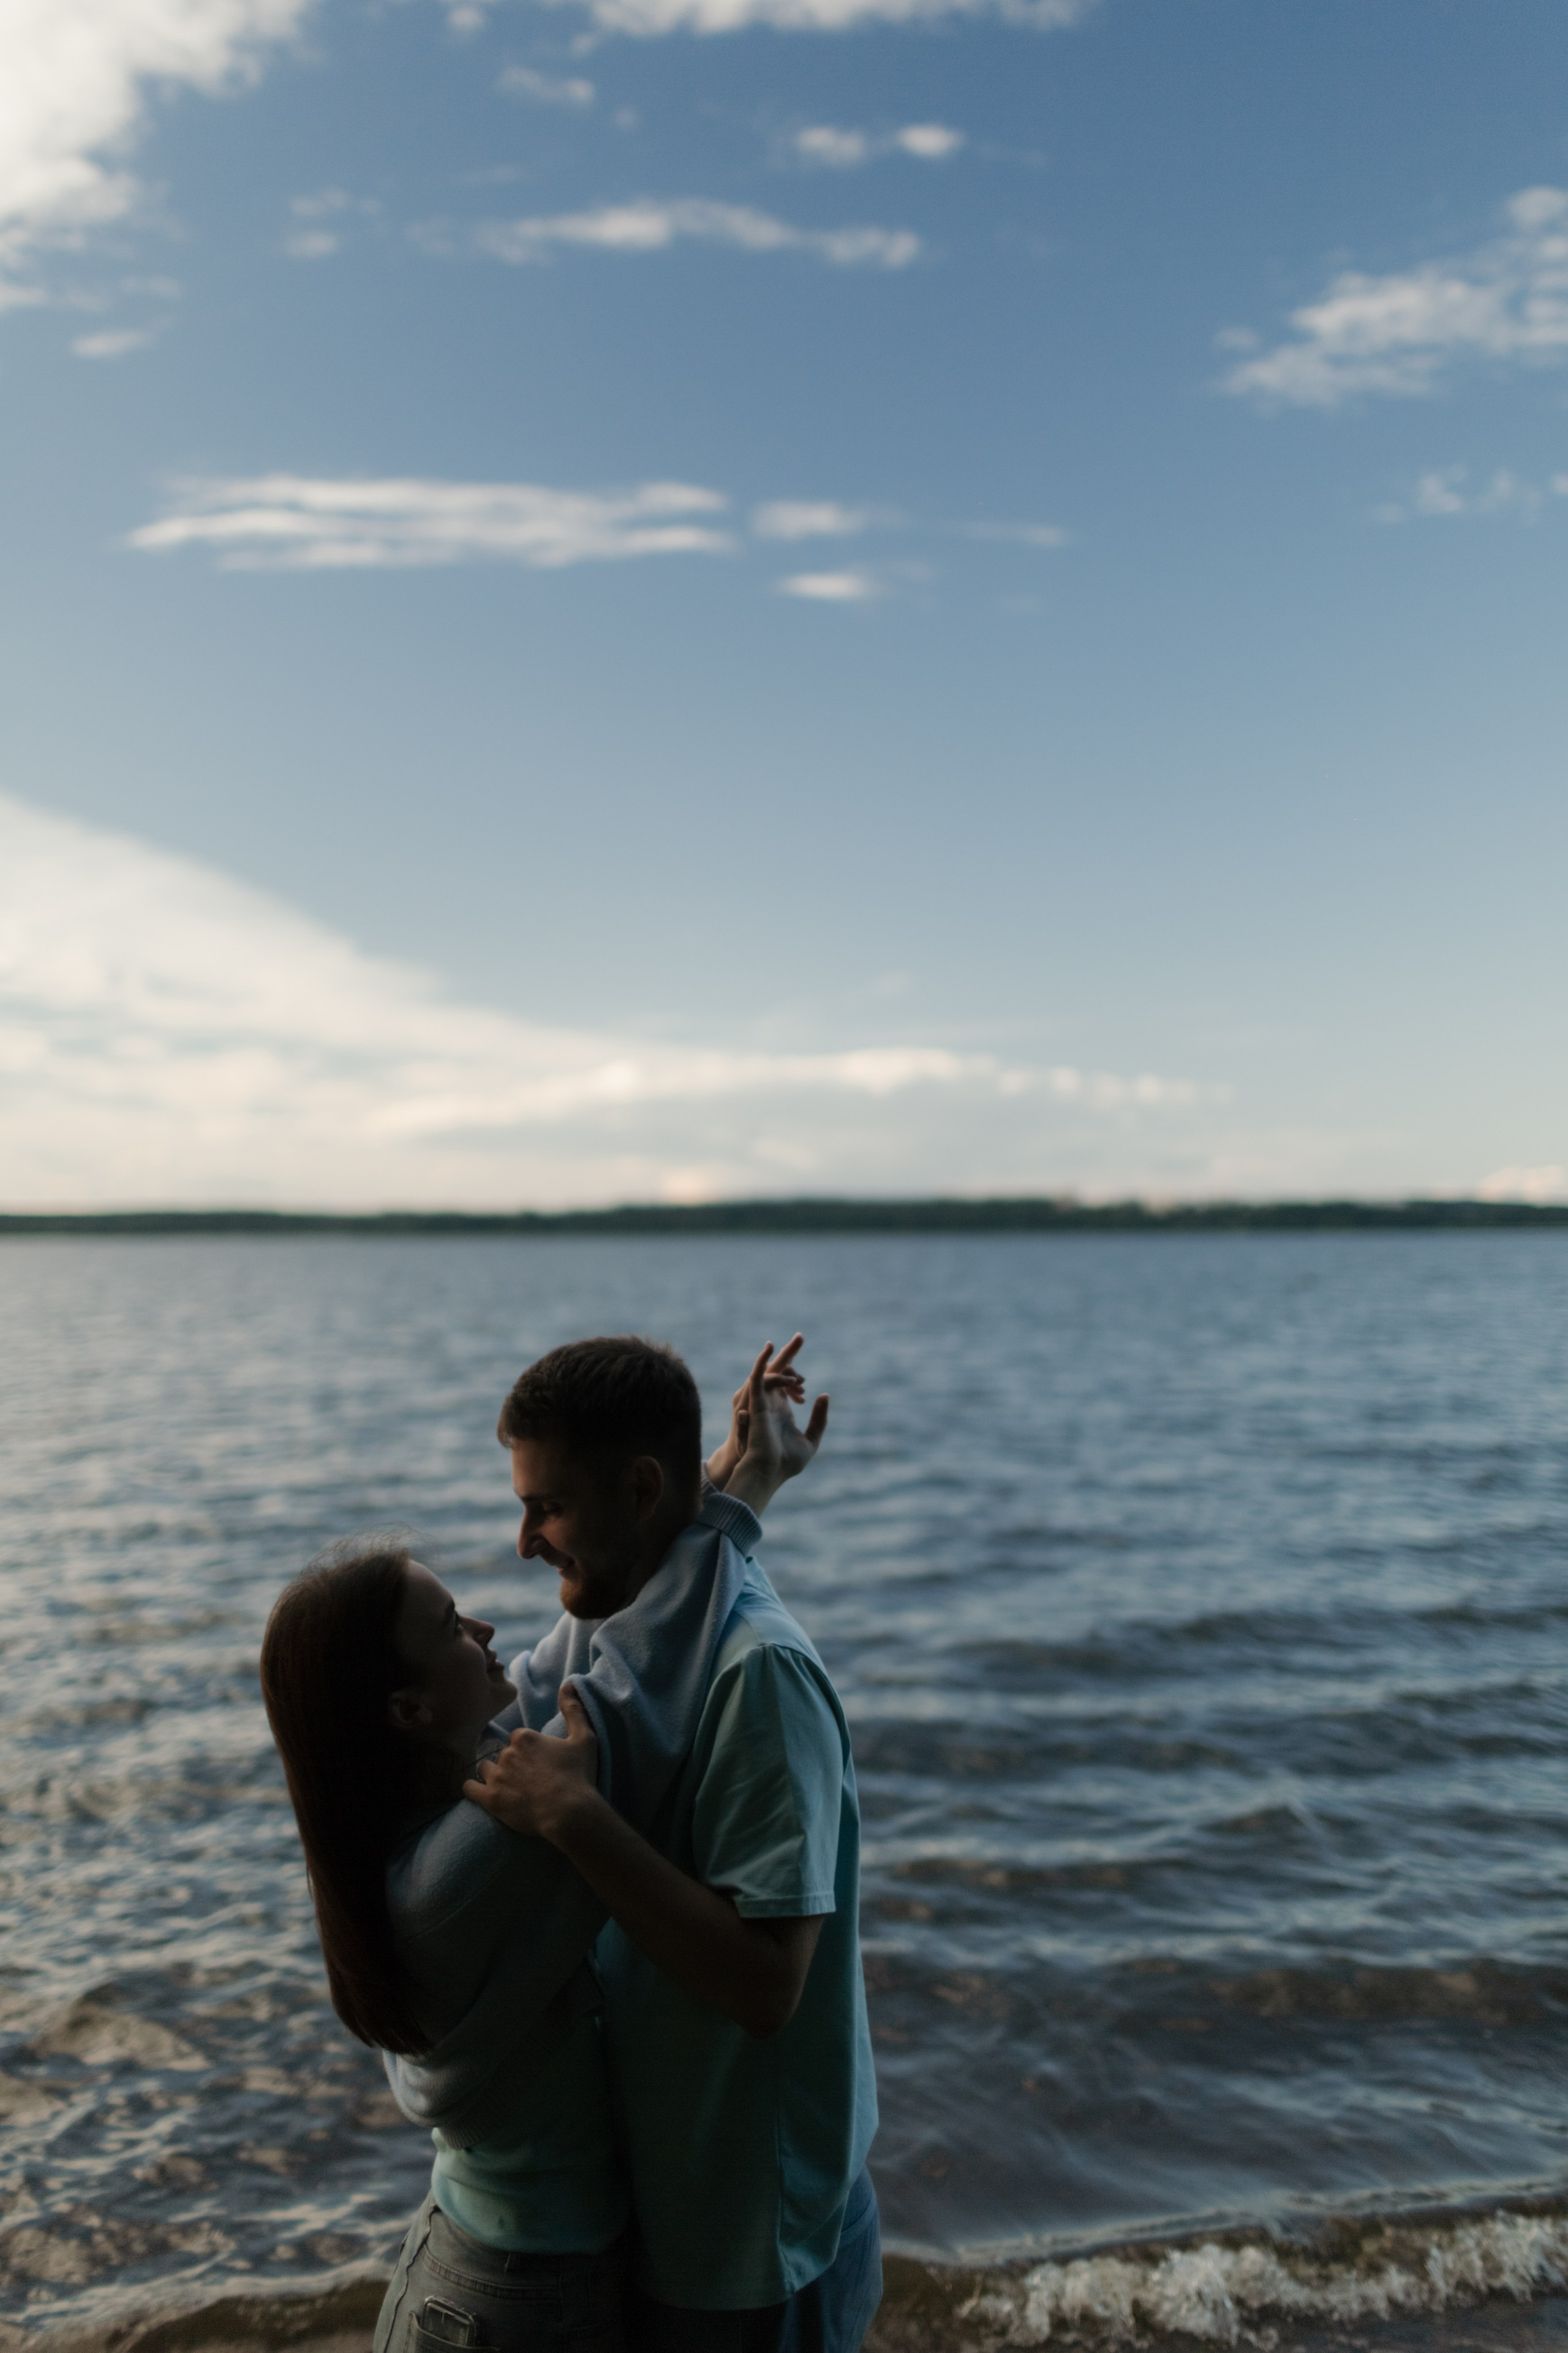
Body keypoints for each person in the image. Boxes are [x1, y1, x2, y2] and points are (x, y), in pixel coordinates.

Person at [260, 1341, 809, 2353]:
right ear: (409, 1707)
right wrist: (742, 1497)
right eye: (449, 1624)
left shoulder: (433, 1791)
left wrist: (710, 1477)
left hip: (500, 2273)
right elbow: (625, 1688)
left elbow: (585, 1651)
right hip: (508, 2301)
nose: (484, 1625)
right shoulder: (464, 1858)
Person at [468, 1335, 880, 2353]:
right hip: (666, 2203)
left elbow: (767, 1985)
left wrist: (578, 1822)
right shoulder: (621, 1634)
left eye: (547, 1507)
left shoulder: (760, 1675)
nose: (523, 1542)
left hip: (754, 2235)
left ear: (643, 1489)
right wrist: (741, 1481)